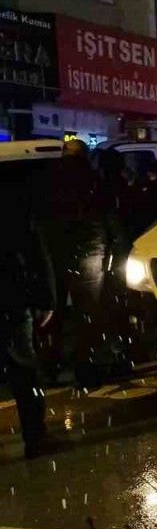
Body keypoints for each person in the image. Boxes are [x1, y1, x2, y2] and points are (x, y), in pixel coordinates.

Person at [41, 139, 109, 388]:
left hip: (59, 254)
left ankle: (50, 367)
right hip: (87, 254)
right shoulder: (92, 179)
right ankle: (84, 369)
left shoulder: (50, 180)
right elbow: (105, 218)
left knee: (55, 314)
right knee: (86, 315)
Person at [2, 171, 55, 458]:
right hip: (11, 301)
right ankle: (35, 437)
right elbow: (34, 252)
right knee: (24, 371)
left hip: (11, 299)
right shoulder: (15, 202)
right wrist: (45, 299)